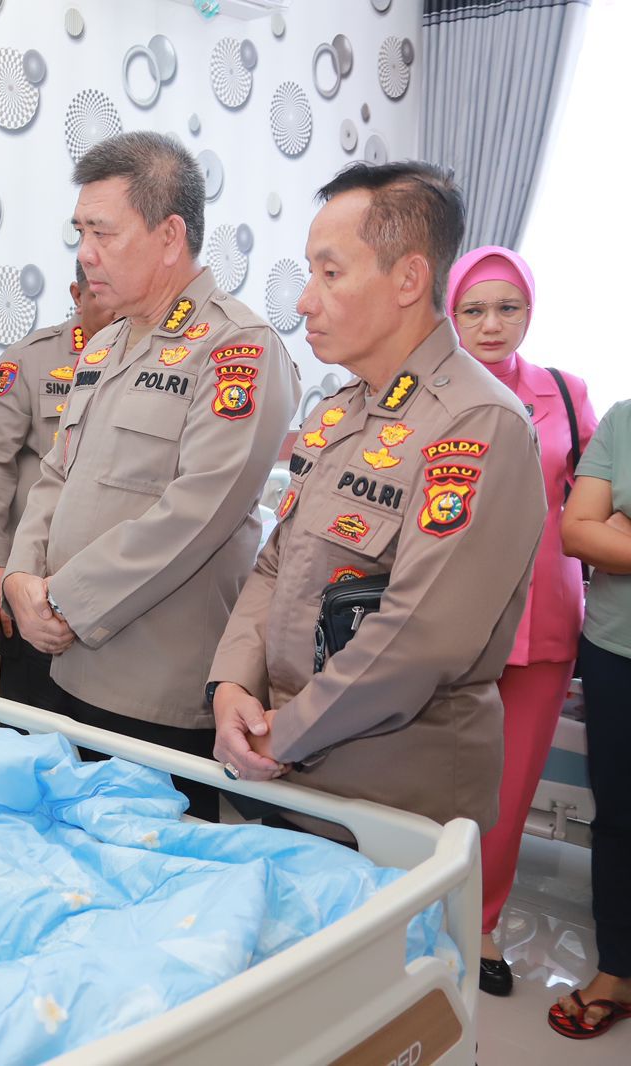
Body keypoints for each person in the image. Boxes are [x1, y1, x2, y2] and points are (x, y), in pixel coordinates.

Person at [208, 162, 546, 842]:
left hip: (386, 805)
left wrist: (286, 732)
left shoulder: (477, 424)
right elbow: (276, 563)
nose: (305, 301)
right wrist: (232, 687)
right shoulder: (339, 412)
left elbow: (420, 637)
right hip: (284, 775)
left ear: (409, 280)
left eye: (330, 273)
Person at [2, 132, 300, 821]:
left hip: (155, 692)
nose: (85, 252)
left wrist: (63, 600)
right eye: (80, 231)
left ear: (169, 237)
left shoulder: (237, 348)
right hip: (66, 666)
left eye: (102, 232)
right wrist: (20, 578)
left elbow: (198, 511)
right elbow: (56, 471)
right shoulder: (106, 343)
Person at [444, 246, 598, 997]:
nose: (491, 324)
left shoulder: (566, 393)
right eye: (473, 309)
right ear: (449, 313)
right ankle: (409, 905)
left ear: (530, 312)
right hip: (448, 614)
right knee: (432, 775)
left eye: (509, 308)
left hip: (544, 619)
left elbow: (596, 499)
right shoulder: (430, 391)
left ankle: (482, 922)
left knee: (508, 791)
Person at [0, 261, 116, 708]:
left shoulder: (150, 358)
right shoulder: (29, 361)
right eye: (99, 295)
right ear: (77, 295)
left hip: (109, 576)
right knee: (30, 710)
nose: (115, 309)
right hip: (34, 573)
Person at [552, 400, 631, 1038]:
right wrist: (602, 532)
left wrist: (623, 535)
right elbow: (577, 533)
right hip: (616, 652)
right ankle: (618, 970)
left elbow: (603, 534)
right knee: (621, 818)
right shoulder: (625, 420)